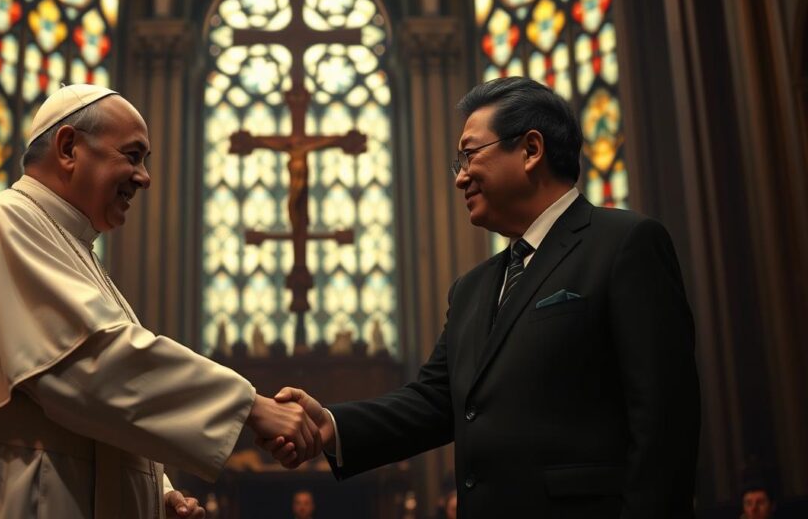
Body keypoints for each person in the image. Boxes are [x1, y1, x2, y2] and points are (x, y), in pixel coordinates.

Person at [266, 77, 700, 517]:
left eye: (470, 155)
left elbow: (664, 423)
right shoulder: (471, 289)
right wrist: (330, 425)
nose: (460, 178)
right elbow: (433, 402)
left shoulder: (624, 244)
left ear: (531, 150)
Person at [0, 85, 321, 518]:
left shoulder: (71, 249)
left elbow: (101, 409)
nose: (144, 177)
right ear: (68, 148)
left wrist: (158, 494)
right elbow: (91, 363)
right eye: (132, 155)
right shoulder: (0, 222)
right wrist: (248, 406)